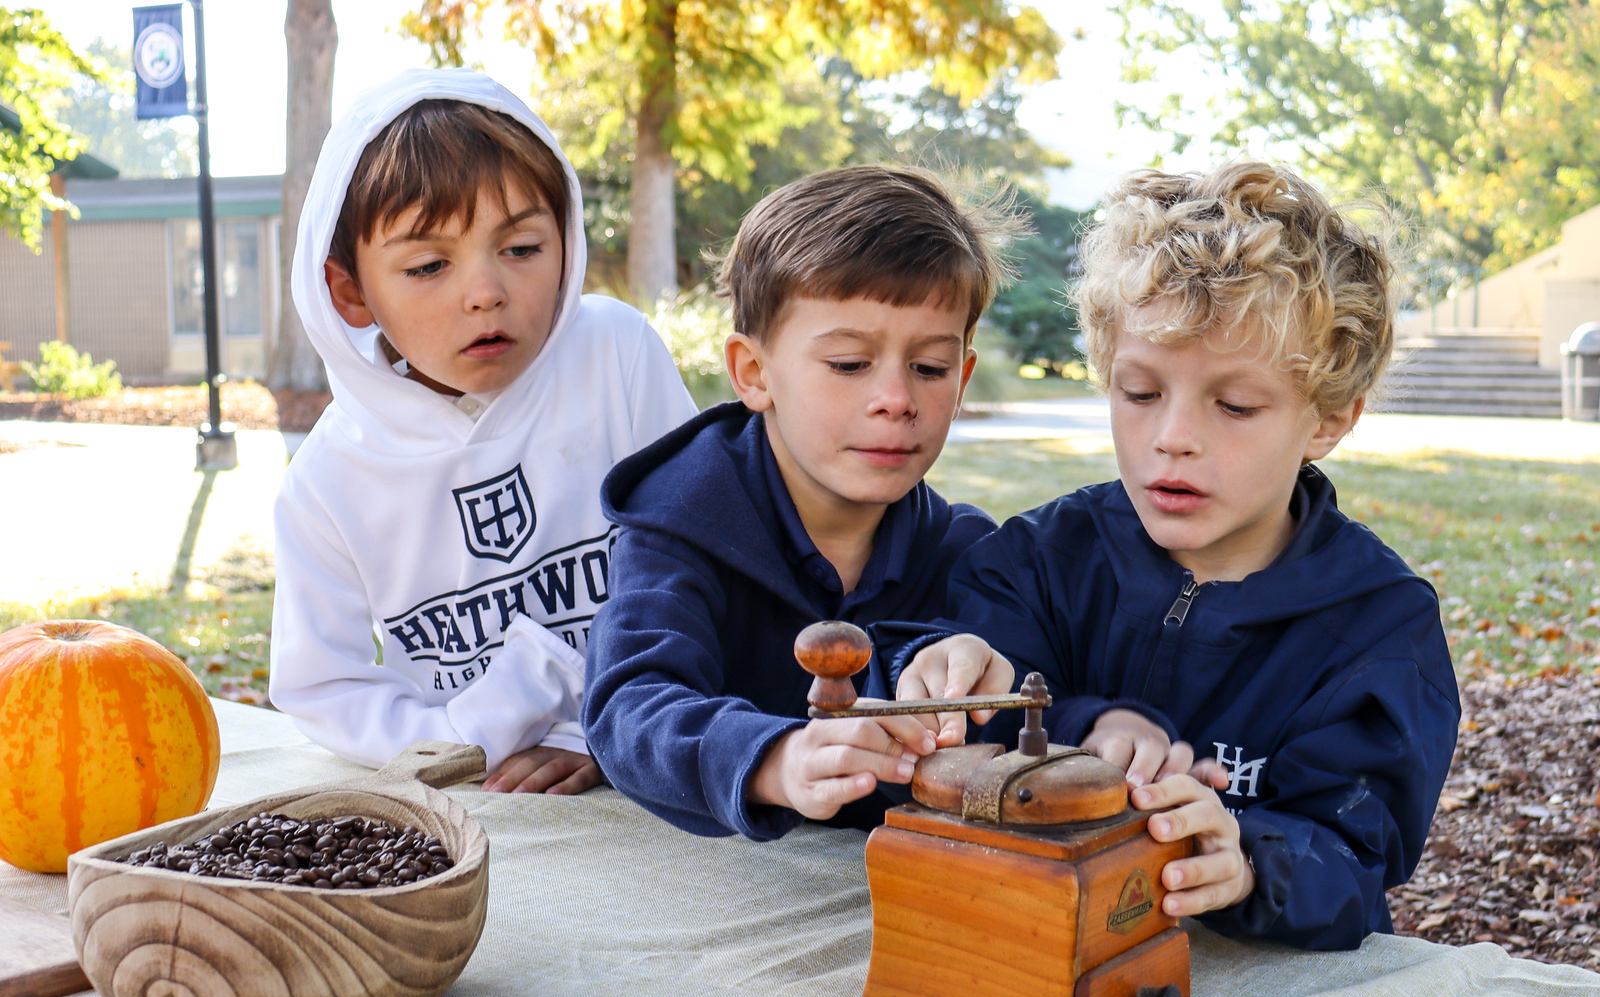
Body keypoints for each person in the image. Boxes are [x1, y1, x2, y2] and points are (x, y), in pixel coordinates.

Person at [894, 162, 1459, 949]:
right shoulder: (1033, 560)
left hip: (1255, 982)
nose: (1174, 437)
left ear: (1328, 419)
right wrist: (986, 686)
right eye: (1140, 392)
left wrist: (1249, 857)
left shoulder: (1378, 627)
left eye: (1234, 404)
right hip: (1027, 952)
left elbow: (1358, 852)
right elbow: (976, 728)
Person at [270, 69, 696, 794]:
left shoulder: (614, 357)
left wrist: (620, 728)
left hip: (667, 764)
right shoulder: (326, 483)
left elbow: (711, 564)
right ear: (350, 291)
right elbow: (325, 688)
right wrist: (470, 739)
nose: (486, 292)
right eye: (429, 264)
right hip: (484, 809)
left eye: (522, 249)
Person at [581, 166, 1021, 840]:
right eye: (849, 363)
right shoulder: (681, 522)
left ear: (961, 377)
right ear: (753, 373)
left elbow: (1037, 709)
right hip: (704, 886)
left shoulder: (968, 551)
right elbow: (629, 706)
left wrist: (966, 667)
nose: (896, 398)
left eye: (929, 367)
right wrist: (773, 759)